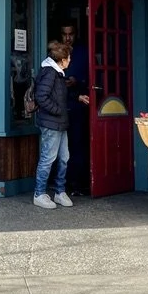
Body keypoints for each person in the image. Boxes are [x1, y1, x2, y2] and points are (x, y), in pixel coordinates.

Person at [32, 41, 87, 209]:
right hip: (52, 124)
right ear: (62, 60)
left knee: (64, 158)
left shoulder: (58, 73)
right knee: (48, 159)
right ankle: (39, 193)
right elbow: (41, 97)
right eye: (68, 58)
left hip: (60, 123)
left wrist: (77, 98)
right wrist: (58, 110)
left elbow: (61, 94)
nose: (70, 60)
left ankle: (59, 192)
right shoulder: (50, 73)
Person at [61, 23, 90, 193]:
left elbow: (92, 73)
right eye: (65, 34)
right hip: (59, 107)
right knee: (61, 146)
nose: (68, 37)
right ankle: (62, 183)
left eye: (70, 34)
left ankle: (77, 182)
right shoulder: (56, 53)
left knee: (78, 143)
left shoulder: (83, 52)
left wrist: (77, 81)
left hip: (79, 105)